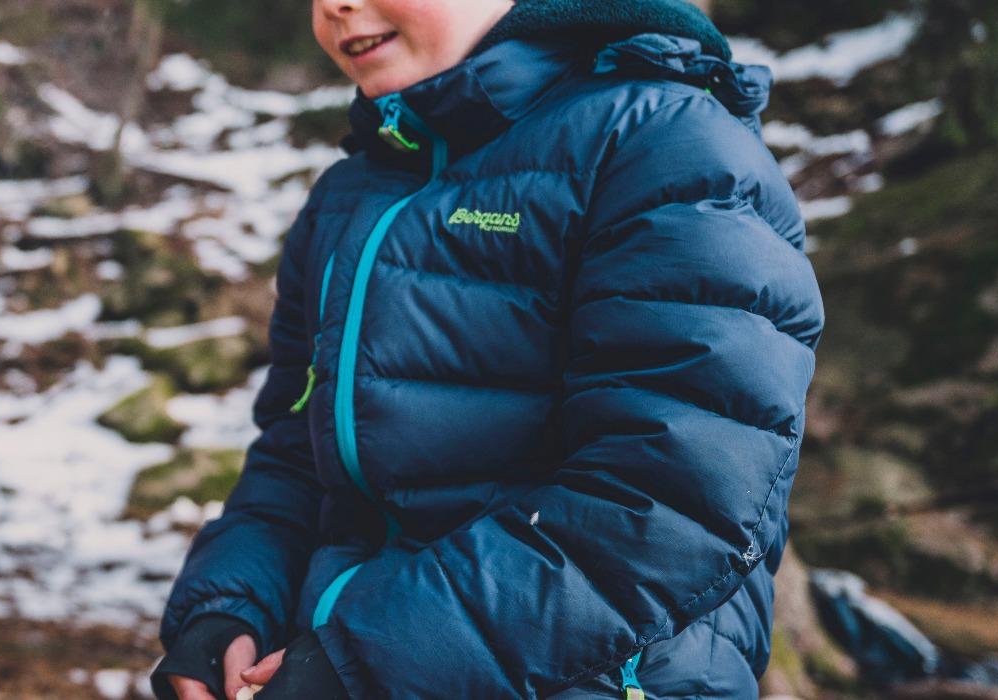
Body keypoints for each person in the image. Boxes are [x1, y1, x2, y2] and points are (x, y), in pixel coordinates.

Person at [154, 0, 821, 697]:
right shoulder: (352, 193)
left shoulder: (665, 147)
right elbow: (298, 449)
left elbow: (672, 498)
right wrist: (229, 608)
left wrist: (366, 666)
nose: (335, 6)